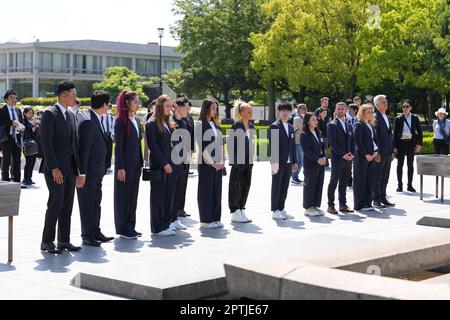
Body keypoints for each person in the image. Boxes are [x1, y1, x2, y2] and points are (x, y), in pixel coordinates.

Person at [39, 81, 81, 254]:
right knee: (55, 203)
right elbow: (46, 144)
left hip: (70, 169)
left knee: (67, 205)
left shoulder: (71, 114)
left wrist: (78, 169)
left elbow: (74, 144)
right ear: (63, 95)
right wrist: (54, 167)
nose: (75, 98)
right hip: (54, 169)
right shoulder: (50, 114)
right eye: (73, 95)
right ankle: (47, 241)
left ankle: (64, 240)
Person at [76, 90, 115, 247]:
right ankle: (87, 234)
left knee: (95, 202)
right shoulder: (88, 121)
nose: (109, 107)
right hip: (88, 172)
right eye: (108, 104)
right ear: (104, 105)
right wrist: (82, 173)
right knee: (87, 203)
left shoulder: (96, 119)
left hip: (97, 171)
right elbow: (83, 150)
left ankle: (95, 230)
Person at [147, 94, 184, 236]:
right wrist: (164, 163)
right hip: (160, 166)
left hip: (170, 165)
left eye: (171, 106)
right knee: (158, 197)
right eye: (167, 106)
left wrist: (175, 114)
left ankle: (166, 223)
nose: (170, 108)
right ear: (160, 106)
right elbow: (153, 146)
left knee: (168, 196)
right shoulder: (152, 122)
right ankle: (158, 227)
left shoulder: (168, 122)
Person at [114, 91, 143, 240]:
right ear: (127, 103)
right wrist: (120, 167)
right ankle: (123, 228)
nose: (137, 104)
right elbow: (118, 146)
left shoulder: (136, 120)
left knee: (133, 196)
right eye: (135, 101)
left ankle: (131, 225)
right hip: (125, 165)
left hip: (136, 164)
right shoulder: (120, 121)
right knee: (123, 197)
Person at [196, 98, 224, 229]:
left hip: (218, 162)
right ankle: (206, 220)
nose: (215, 111)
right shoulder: (200, 124)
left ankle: (216, 218)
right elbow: (202, 147)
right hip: (206, 163)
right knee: (206, 191)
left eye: (216, 108)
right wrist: (212, 162)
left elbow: (220, 144)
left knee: (217, 190)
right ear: (206, 109)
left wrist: (222, 160)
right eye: (213, 108)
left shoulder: (215, 124)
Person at [270, 102, 298, 220]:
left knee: (285, 186)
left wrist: (294, 161)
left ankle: (281, 208)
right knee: (276, 186)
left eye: (288, 111)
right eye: (283, 111)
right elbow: (273, 146)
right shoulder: (274, 126)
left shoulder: (291, 127)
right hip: (278, 162)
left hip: (288, 162)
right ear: (279, 111)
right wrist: (274, 163)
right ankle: (275, 210)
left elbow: (292, 146)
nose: (286, 113)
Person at [227, 101, 254, 223]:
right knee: (235, 185)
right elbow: (230, 145)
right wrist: (234, 161)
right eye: (248, 111)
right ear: (242, 113)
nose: (251, 113)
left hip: (248, 162)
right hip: (238, 162)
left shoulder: (251, 126)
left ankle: (242, 208)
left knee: (246, 185)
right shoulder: (236, 126)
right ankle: (235, 211)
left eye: (251, 111)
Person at [326, 102, 355, 214]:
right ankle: (330, 205)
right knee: (334, 181)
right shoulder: (332, 125)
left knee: (344, 182)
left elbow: (352, 141)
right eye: (338, 109)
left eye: (343, 109)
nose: (340, 111)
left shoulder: (348, 124)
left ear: (346, 110)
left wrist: (352, 154)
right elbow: (333, 144)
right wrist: (343, 155)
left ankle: (342, 204)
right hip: (338, 158)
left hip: (348, 158)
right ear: (335, 110)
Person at [353, 104, 379, 212]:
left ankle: (368, 202)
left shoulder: (371, 125)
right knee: (360, 180)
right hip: (362, 157)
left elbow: (374, 141)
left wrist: (375, 153)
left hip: (372, 157)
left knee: (370, 180)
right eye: (368, 112)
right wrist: (366, 154)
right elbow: (358, 142)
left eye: (371, 112)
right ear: (362, 113)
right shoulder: (359, 125)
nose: (370, 114)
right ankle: (360, 204)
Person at [393, 99, 423, 192]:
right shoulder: (398, 118)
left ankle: (410, 185)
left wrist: (419, 144)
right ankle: (400, 185)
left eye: (407, 106)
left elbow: (420, 132)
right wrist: (394, 147)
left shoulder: (415, 118)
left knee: (410, 165)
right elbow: (395, 134)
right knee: (399, 165)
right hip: (401, 144)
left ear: (410, 108)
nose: (405, 108)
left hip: (411, 143)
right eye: (403, 106)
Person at [301, 113, 326, 216]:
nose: (315, 122)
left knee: (318, 184)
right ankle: (308, 207)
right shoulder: (304, 134)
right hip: (311, 164)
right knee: (310, 185)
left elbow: (322, 147)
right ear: (307, 122)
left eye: (316, 120)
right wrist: (317, 159)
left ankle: (315, 205)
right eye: (313, 120)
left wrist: (324, 157)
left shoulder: (318, 132)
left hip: (321, 163)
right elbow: (306, 150)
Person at [373, 95, 395, 208]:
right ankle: (376, 199)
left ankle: (383, 197)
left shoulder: (386, 117)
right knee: (377, 177)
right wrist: (377, 153)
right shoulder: (375, 117)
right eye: (383, 102)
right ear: (377, 105)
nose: (386, 103)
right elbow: (375, 137)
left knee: (385, 176)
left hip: (388, 152)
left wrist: (392, 150)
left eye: (386, 101)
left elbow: (389, 135)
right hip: (380, 153)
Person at [172, 96, 193, 218]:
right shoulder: (174, 120)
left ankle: (180, 208)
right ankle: (175, 210)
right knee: (177, 185)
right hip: (177, 158)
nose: (188, 109)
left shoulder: (185, 120)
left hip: (185, 156)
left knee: (183, 184)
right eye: (186, 107)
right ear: (179, 108)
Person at [0, 90, 24, 184]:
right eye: (11, 98)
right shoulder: (2, 110)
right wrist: (11, 123)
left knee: (17, 161)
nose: (14, 99)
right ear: (6, 100)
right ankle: (5, 181)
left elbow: (21, 122)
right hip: (6, 139)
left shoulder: (18, 110)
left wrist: (23, 126)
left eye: (15, 97)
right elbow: (1, 122)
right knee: (6, 161)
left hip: (17, 138)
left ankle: (17, 181)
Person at [291, 104, 307, 184]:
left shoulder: (303, 118)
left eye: (305, 108)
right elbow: (304, 128)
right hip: (298, 141)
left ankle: (294, 176)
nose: (304, 109)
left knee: (301, 160)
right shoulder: (297, 118)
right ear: (299, 109)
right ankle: (294, 177)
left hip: (302, 141)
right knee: (299, 160)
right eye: (302, 108)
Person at [22, 107, 38, 186]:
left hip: (34, 143)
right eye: (29, 113)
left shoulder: (33, 121)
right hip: (27, 144)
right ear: (25, 113)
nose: (31, 114)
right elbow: (28, 128)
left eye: (32, 113)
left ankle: (29, 178)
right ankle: (25, 178)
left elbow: (36, 132)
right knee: (28, 161)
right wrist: (33, 124)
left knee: (33, 161)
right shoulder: (23, 121)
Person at [101, 104, 115, 174]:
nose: (109, 109)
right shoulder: (102, 117)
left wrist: (112, 134)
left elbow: (113, 127)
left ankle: (108, 166)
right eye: (108, 108)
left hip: (109, 136)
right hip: (103, 135)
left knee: (109, 151)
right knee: (104, 150)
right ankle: (103, 165)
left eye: (110, 108)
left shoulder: (111, 118)